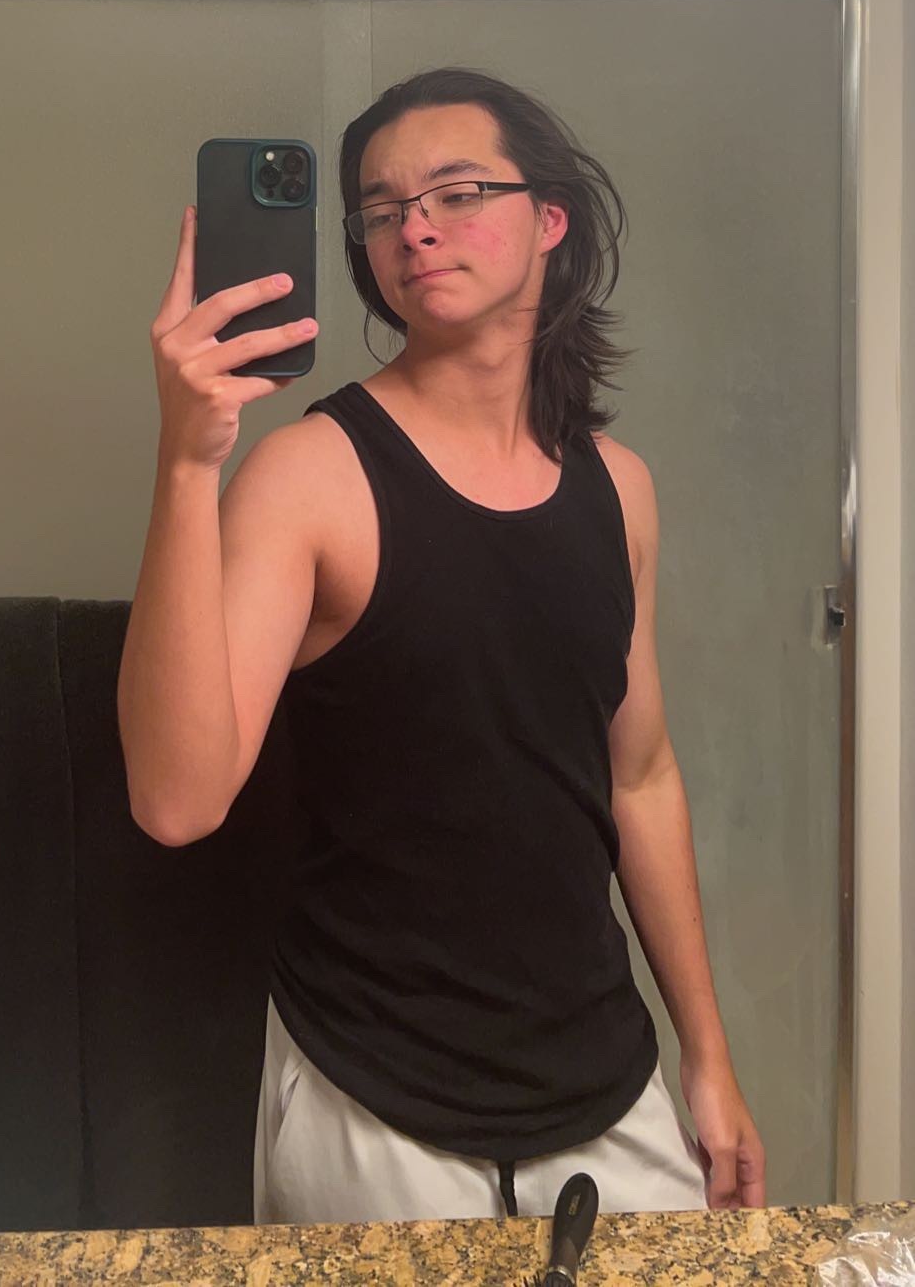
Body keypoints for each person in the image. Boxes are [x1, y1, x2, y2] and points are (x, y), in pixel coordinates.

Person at [118, 65, 766, 1225]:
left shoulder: (619, 488)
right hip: (372, 1093)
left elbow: (640, 775)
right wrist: (185, 462)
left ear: (550, 219)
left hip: (605, 1082)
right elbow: (176, 798)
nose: (414, 226)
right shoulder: (308, 475)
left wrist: (708, 1058)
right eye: (381, 208)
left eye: (457, 192)